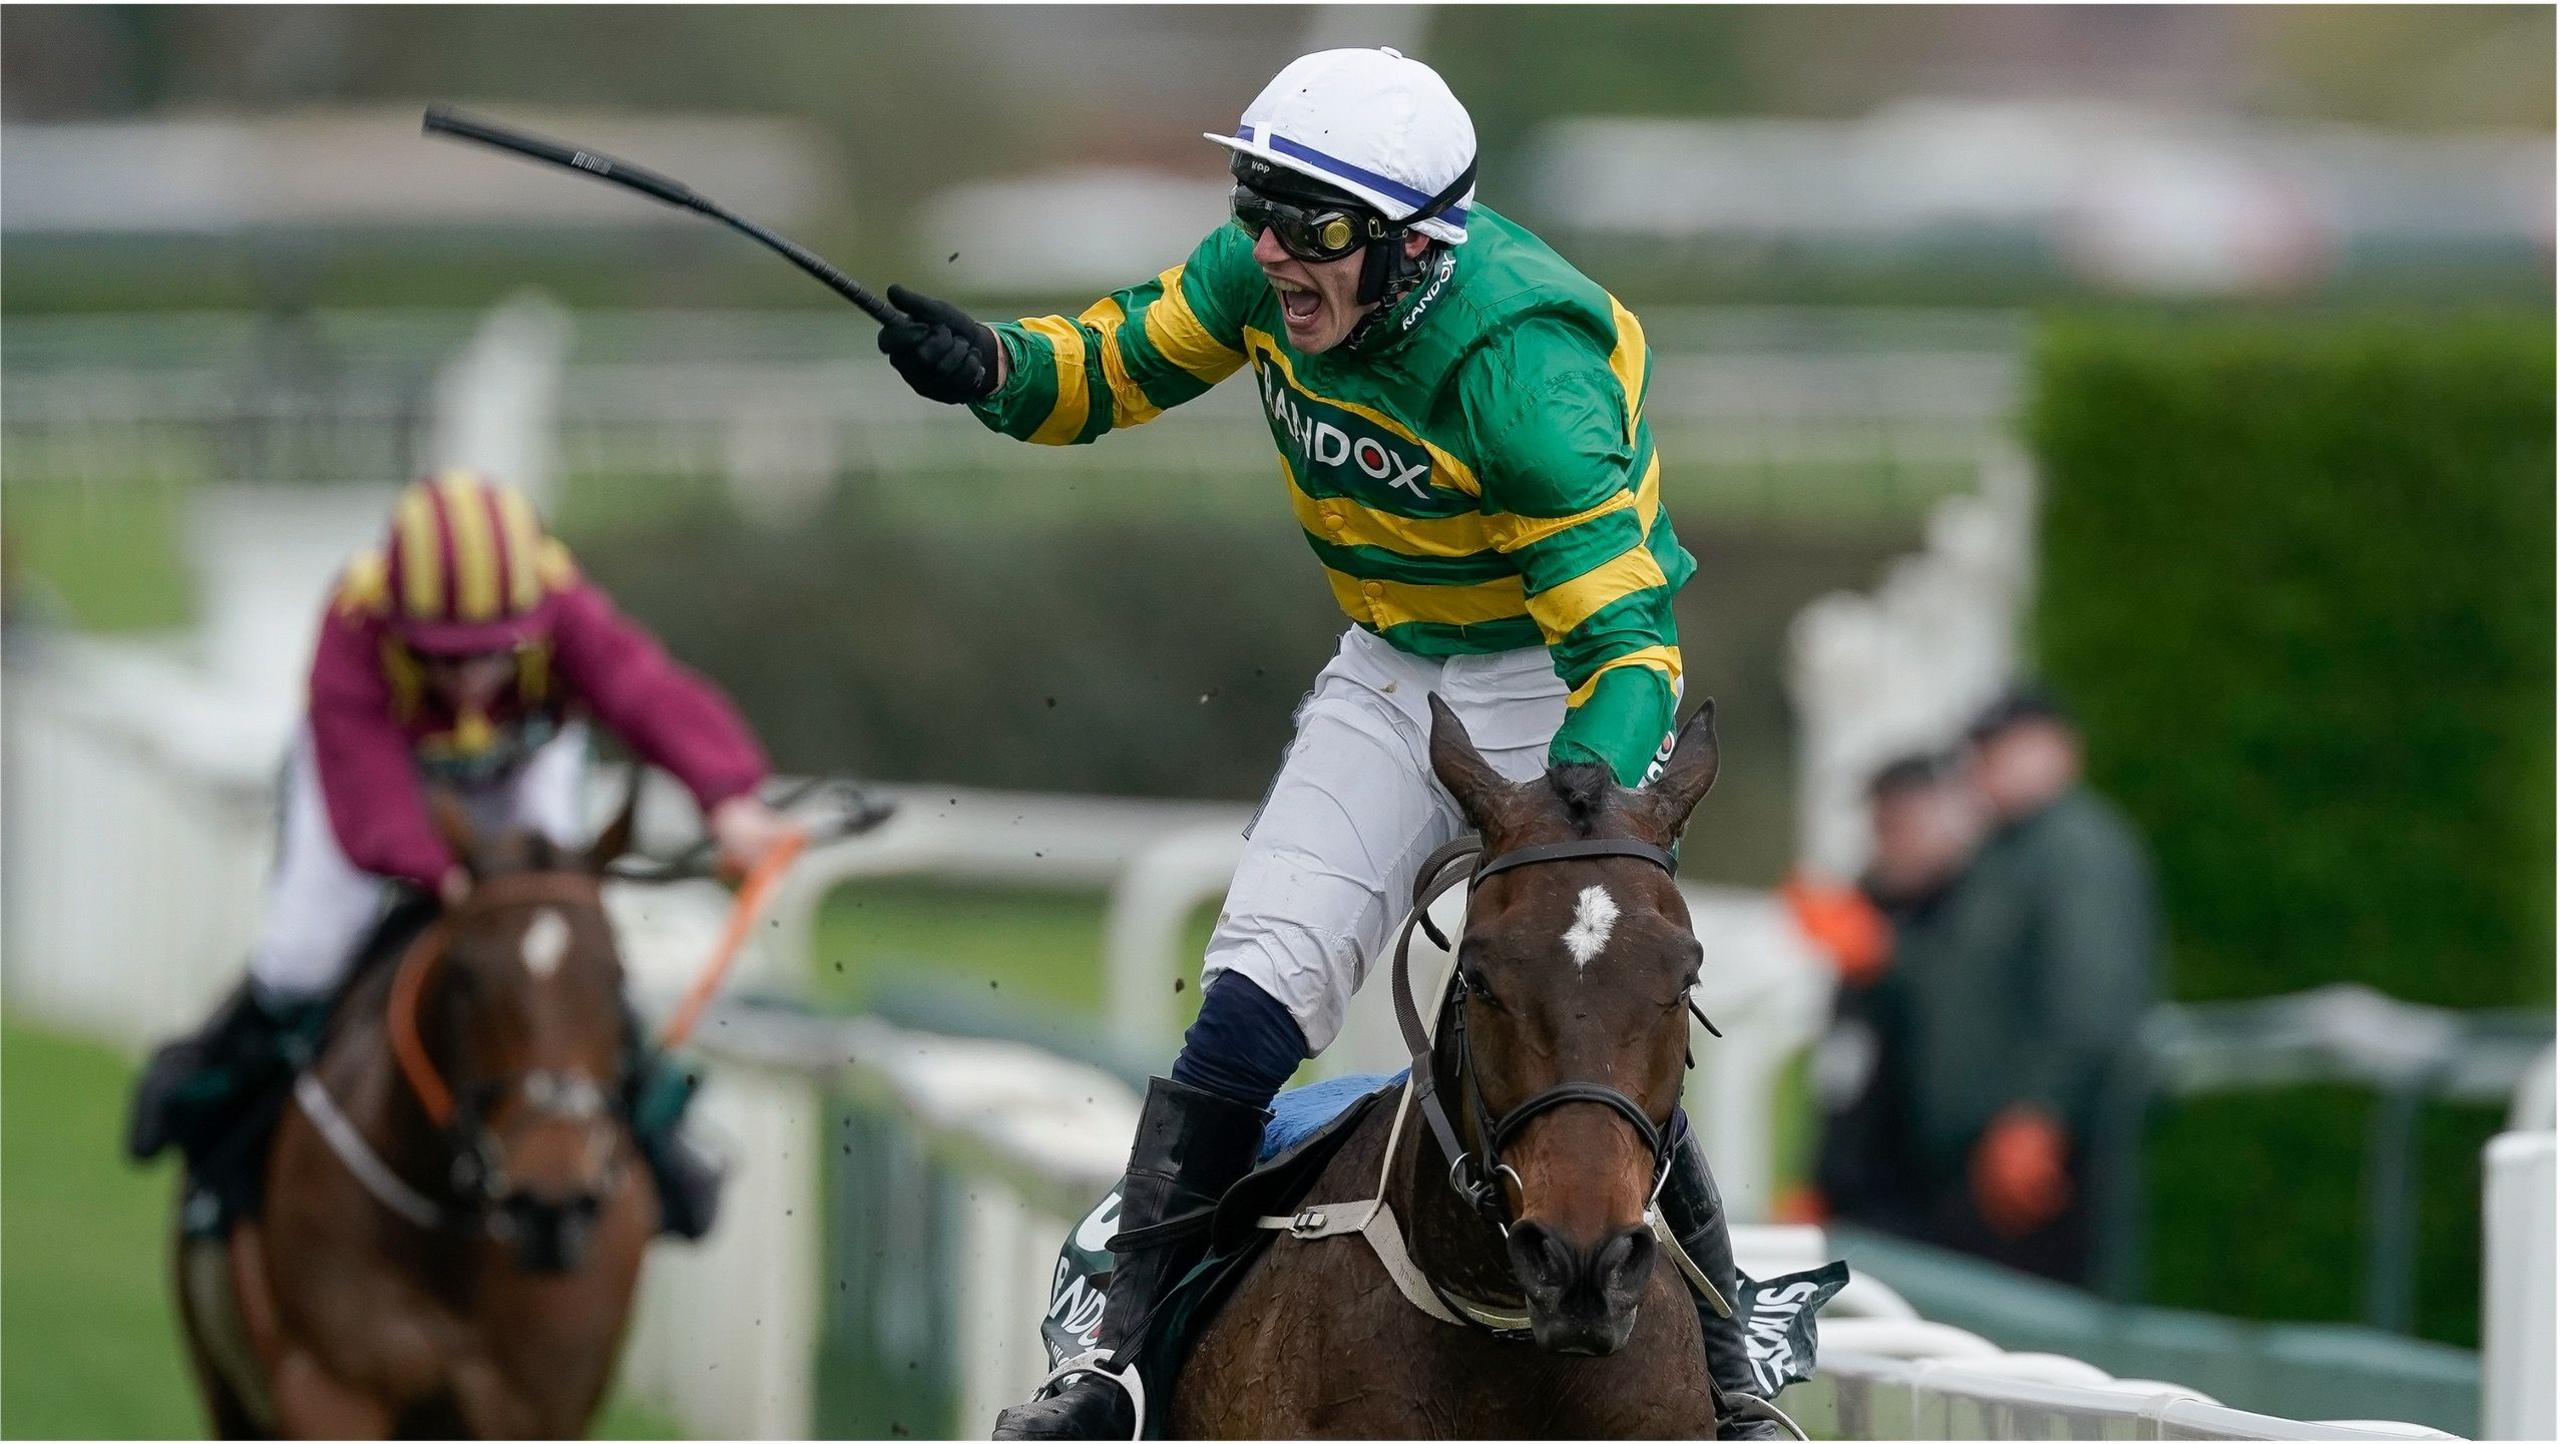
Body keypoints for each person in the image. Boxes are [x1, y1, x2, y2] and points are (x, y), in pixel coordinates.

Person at [876, 46, 1782, 1440]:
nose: (1271, 250)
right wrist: (989, 367)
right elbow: (1109, 367)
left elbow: (1625, 638)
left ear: (1414, 246)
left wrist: (1589, 789)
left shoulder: (1525, 372)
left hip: (1557, 678)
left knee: (1578, 990)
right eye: (1259, 208)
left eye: (1312, 225)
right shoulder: (1269, 275)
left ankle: (1732, 1372)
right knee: (1251, 1002)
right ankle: (1113, 1367)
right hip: (1393, 668)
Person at [126, 471, 796, 1242]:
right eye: (442, 659)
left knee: (552, 946)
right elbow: (369, 796)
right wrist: (445, 876)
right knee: (303, 954)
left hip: (521, 761)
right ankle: (214, 1117)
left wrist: (728, 798)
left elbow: (644, 692)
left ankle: (656, 1129)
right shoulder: (354, 622)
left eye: (494, 655)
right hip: (374, 772)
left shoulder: (564, 603)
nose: (471, 681)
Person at [1797, 690, 2161, 1284]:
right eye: (1984, 748)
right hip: (1974, 1162)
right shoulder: (2001, 852)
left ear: (2061, 748)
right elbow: (1957, 986)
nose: (1988, 764)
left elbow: (2091, 999)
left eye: (2005, 745)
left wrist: (2041, 1114)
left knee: (2035, 1325)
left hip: (2040, 1161)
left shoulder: (2075, 845)